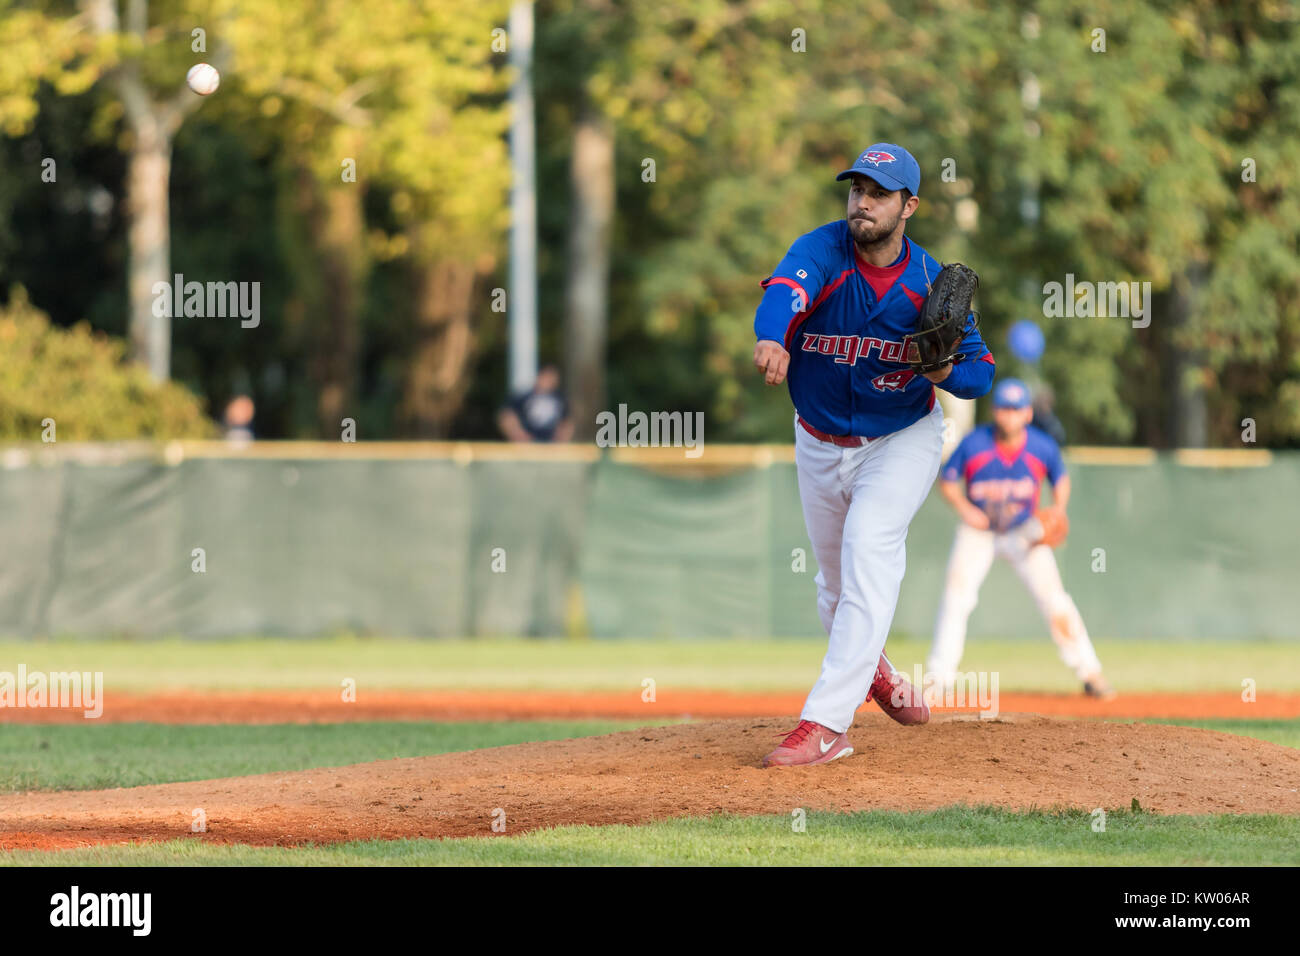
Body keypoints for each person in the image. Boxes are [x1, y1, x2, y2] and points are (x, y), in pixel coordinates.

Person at [752, 143, 995, 767]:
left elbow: (979, 374)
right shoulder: (824, 250)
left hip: (900, 438)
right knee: (833, 591)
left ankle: (826, 725)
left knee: (869, 548)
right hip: (818, 437)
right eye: (857, 188)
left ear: (909, 206)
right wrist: (772, 337)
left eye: (879, 192)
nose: (863, 201)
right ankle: (876, 671)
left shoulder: (926, 282)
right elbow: (783, 292)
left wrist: (942, 365)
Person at [926, 377, 1113, 699]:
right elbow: (948, 481)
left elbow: (1061, 479)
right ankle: (938, 678)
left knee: (1055, 600)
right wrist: (965, 509)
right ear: (995, 411)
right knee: (956, 598)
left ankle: (1090, 673)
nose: (1008, 415)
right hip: (979, 532)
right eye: (1003, 408)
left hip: (1024, 532)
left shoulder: (1042, 446)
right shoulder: (974, 443)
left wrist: (1058, 508)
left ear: (1027, 413)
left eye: (1015, 409)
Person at [497, 365, 574, 443]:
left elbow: (567, 422)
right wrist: (519, 435)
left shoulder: (560, 399)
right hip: (527, 443)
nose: (549, 380)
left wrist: (561, 440)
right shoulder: (524, 396)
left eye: (552, 377)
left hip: (552, 445)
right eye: (547, 376)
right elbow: (506, 416)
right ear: (539, 376)